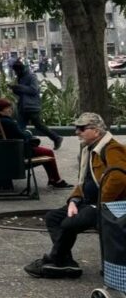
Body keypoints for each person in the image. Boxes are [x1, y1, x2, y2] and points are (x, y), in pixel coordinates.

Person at [25, 112, 126, 279]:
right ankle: (66, 263)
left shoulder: (112, 148)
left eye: (81, 128)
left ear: (96, 131)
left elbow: (119, 178)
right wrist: (74, 200)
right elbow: (82, 181)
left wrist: (101, 205)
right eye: (76, 128)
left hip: (107, 206)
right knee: (53, 218)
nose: (76, 132)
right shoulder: (88, 149)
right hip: (87, 202)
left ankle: (55, 260)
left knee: (69, 223)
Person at [0, 98, 70, 189]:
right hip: (18, 152)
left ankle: (53, 179)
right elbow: (22, 136)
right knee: (48, 152)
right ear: (1, 109)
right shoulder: (8, 122)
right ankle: (57, 180)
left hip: (6, 151)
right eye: (8, 108)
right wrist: (29, 133)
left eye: (10, 108)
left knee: (44, 151)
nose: (11, 110)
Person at [10, 60, 62, 150]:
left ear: (21, 69)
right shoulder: (20, 77)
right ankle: (22, 144)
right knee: (20, 127)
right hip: (22, 107)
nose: (16, 73)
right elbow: (23, 93)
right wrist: (15, 89)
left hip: (32, 107)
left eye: (17, 71)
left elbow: (34, 90)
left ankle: (56, 138)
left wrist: (20, 87)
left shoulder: (31, 76)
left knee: (39, 125)